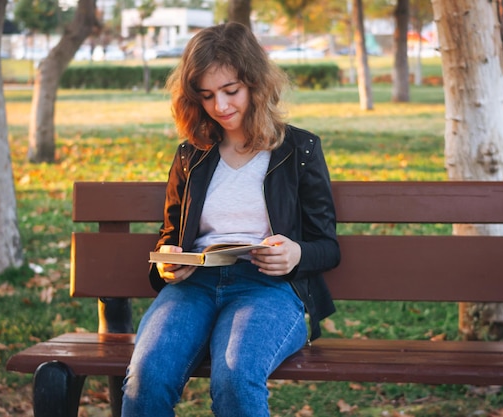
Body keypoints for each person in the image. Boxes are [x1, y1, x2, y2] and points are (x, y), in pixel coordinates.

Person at [121, 22, 340, 417]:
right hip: (194, 287)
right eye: (206, 96)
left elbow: (327, 246)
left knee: (235, 378)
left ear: (255, 83)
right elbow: (169, 234)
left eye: (230, 91)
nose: (220, 106)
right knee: (146, 377)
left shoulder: (299, 149)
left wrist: (296, 254)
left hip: (268, 289)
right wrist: (169, 261)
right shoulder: (193, 153)